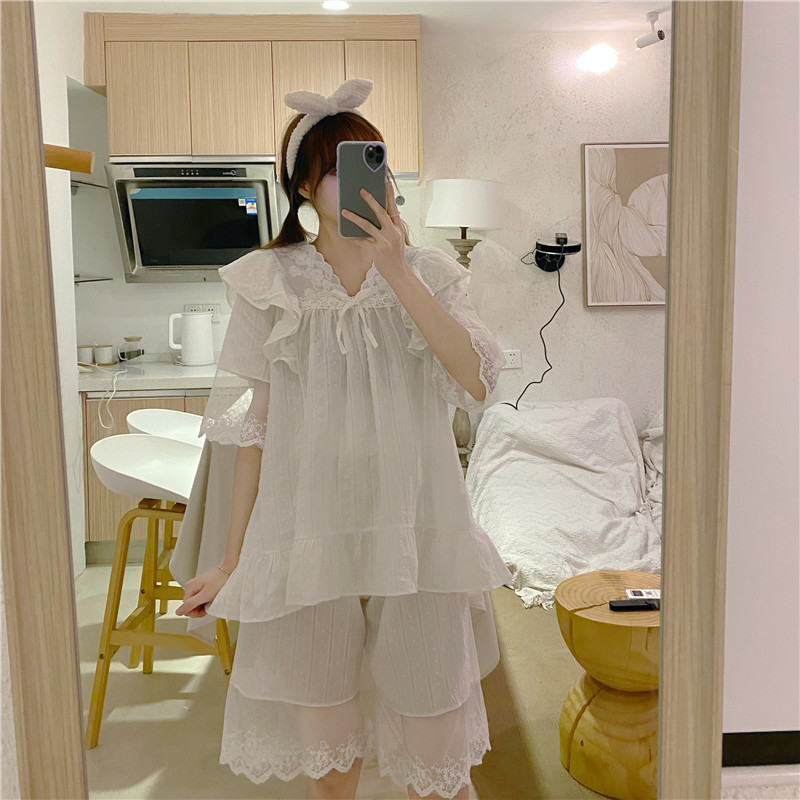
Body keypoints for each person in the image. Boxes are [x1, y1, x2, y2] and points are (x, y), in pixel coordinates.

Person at [175, 77, 513, 800]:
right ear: (303, 185)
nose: (366, 179)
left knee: (438, 761)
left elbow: (479, 380)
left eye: (374, 160)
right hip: (305, 529)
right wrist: (233, 561)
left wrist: (399, 270)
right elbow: (253, 433)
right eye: (338, 168)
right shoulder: (268, 282)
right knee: (330, 767)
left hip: (419, 527)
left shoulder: (428, 273)